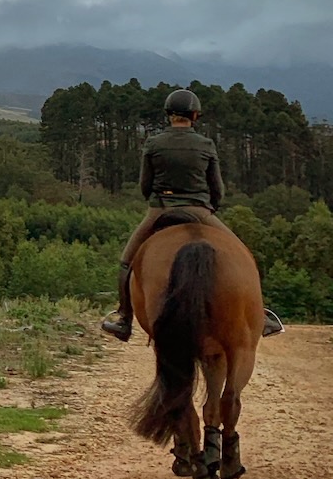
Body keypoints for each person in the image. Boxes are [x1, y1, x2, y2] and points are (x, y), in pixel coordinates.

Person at [101, 87, 284, 342]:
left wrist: (156, 201)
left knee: (126, 262)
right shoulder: (205, 144)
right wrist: (211, 207)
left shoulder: (153, 143)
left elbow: (145, 184)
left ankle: (124, 318)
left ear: (168, 115)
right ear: (194, 115)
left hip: (160, 209)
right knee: (244, 256)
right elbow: (217, 188)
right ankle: (260, 316)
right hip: (199, 209)